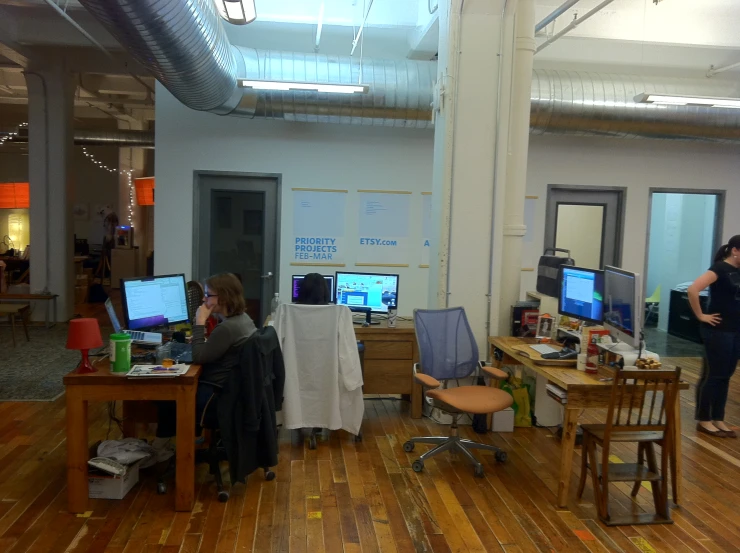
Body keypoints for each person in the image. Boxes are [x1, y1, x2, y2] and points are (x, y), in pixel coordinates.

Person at [153, 273, 258, 458]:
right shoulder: (243, 319)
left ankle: (160, 450)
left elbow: (198, 356)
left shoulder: (227, 328)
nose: (204, 299)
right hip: (232, 391)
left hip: (216, 396)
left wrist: (199, 322)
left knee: (167, 393)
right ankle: (180, 441)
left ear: (223, 298)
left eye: (209, 294)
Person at [688, 235, 740, 438]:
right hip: (718, 330)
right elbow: (693, 289)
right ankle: (704, 419)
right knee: (715, 374)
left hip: (736, 330)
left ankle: (718, 417)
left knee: (726, 375)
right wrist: (701, 315)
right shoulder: (719, 269)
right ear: (735, 250)